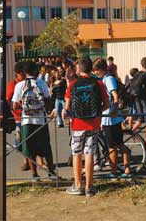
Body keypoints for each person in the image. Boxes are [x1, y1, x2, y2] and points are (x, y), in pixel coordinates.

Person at [65, 58, 109, 197]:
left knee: (76, 153)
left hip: (77, 124)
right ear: (91, 69)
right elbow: (107, 104)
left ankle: (78, 186)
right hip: (93, 124)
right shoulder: (98, 83)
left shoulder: (72, 84)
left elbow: (67, 107)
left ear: (79, 69)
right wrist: (97, 112)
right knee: (89, 153)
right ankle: (89, 187)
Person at [12, 62, 58, 182]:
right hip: (41, 120)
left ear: (24, 72)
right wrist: (45, 110)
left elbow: (14, 106)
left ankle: (34, 175)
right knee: (46, 147)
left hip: (26, 121)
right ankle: (51, 173)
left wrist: (23, 107)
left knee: (29, 148)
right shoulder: (41, 83)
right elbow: (48, 100)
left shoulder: (20, 85)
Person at [93, 58, 132, 178]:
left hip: (110, 119)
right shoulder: (106, 78)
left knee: (112, 146)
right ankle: (126, 170)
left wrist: (114, 110)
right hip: (111, 118)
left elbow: (115, 96)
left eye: (96, 70)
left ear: (101, 69)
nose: (95, 73)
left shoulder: (108, 79)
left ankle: (114, 171)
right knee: (117, 145)